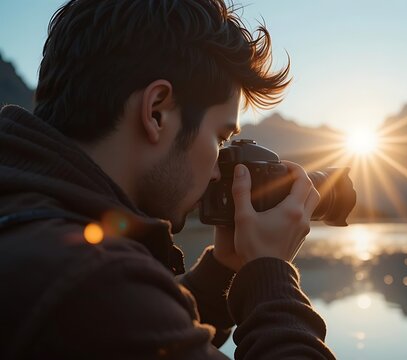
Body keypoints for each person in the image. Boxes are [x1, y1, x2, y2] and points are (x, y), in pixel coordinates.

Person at [0, 0, 335, 359]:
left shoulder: (30, 222)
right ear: (157, 111)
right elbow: (122, 313)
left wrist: (224, 269)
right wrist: (270, 272)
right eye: (220, 138)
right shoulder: (91, 281)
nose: (216, 170)